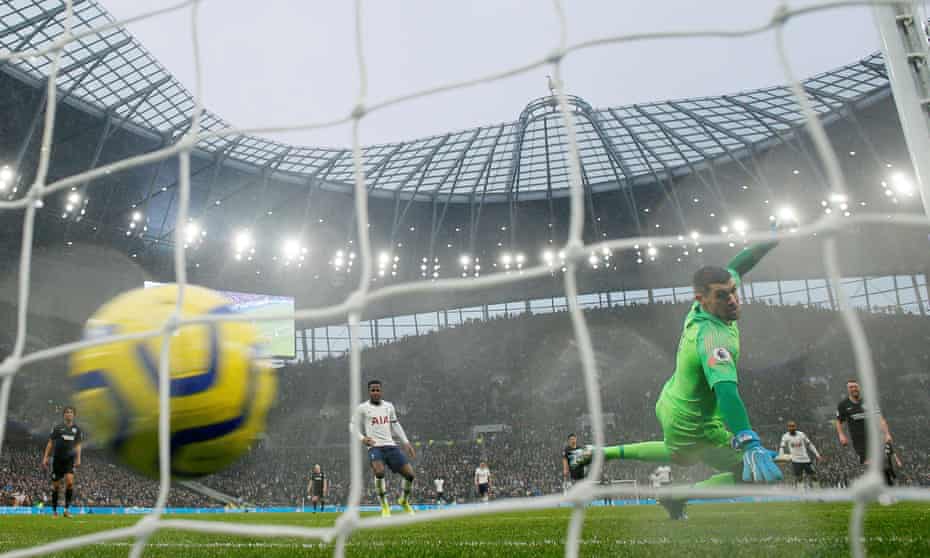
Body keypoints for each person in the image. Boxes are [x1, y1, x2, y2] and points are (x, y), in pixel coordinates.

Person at [570, 240, 784, 520]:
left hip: (671, 401)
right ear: (702, 299)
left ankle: (604, 453)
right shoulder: (713, 338)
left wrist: (764, 246)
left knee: (680, 453)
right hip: (694, 422)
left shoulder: (704, 306)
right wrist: (749, 441)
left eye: (733, 292)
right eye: (722, 296)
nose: (732, 300)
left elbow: (737, 266)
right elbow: (727, 393)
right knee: (751, 473)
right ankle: (678, 495)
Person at [353, 379, 416, 517]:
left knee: (410, 475)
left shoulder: (389, 406)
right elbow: (352, 425)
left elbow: (395, 425)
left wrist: (406, 442)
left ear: (381, 391)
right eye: (373, 390)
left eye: (378, 390)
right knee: (379, 472)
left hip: (391, 446)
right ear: (369, 392)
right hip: (375, 447)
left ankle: (403, 501)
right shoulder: (362, 408)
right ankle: (385, 506)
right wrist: (363, 438)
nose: (375, 392)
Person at [835, 379, 893, 466]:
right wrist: (841, 435)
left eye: (855, 386)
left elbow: (880, 419)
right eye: (851, 387)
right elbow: (839, 421)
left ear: (859, 387)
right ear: (848, 389)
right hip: (859, 441)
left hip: (875, 437)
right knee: (868, 463)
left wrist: (887, 433)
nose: (854, 389)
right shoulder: (843, 405)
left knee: (883, 461)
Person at [41, 406, 83, 518]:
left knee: (70, 483)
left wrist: (78, 458)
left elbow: (78, 445)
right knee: (56, 487)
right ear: (64, 415)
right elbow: (50, 443)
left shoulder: (77, 430)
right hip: (57, 460)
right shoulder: (58, 427)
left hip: (69, 460)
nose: (69, 414)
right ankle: (54, 511)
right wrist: (45, 457)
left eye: (71, 412)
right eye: (67, 412)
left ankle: (66, 510)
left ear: (74, 415)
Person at [779, 421, 824, 488]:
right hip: (796, 460)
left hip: (806, 459)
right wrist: (781, 457)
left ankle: (817, 491)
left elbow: (810, 445)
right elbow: (782, 447)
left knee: (814, 476)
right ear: (788, 428)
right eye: (790, 426)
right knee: (799, 478)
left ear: (795, 426)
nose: (792, 428)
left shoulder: (801, 434)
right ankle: (801, 493)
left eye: (793, 426)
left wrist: (817, 455)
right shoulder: (785, 436)